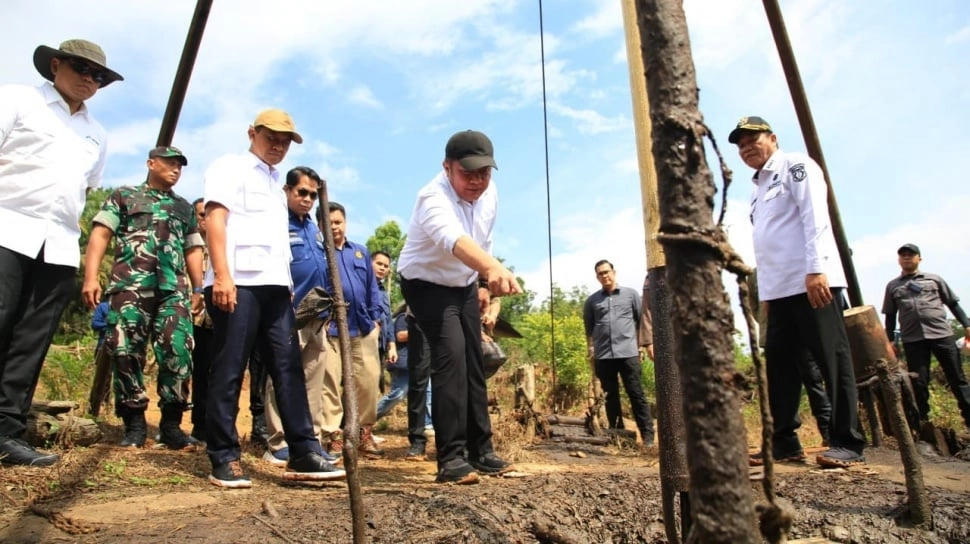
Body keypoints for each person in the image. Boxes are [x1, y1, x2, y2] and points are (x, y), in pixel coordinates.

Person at [202, 108, 344, 487]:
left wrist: (287, 286)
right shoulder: (229, 167)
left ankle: (303, 451)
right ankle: (224, 455)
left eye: (285, 140)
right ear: (252, 133)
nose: (278, 145)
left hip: (275, 288)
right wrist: (222, 275)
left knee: (288, 368)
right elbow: (215, 218)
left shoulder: (277, 183)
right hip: (238, 281)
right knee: (231, 367)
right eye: (271, 137)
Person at [0, 39, 123, 467]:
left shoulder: (97, 134)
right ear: (55, 65)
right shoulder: (17, 100)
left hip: (58, 246)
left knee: (30, 341)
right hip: (7, 229)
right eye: (81, 69)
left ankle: (7, 431)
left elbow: (84, 189)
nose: (90, 79)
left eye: (99, 76)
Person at [730, 115, 866, 468]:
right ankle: (784, 441)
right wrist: (766, 296)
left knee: (831, 361)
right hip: (778, 292)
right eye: (741, 144)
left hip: (812, 282)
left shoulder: (796, 166)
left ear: (772, 138)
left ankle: (847, 441)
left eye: (752, 139)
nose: (746, 148)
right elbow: (766, 244)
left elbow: (814, 216)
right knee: (780, 368)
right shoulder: (757, 190)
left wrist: (817, 268)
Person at [397, 129, 521, 484]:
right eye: (468, 173)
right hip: (426, 284)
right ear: (447, 167)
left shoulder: (489, 192)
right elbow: (457, 241)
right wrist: (492, 269)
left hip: (464, 283)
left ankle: (482, 452)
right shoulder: (431, 198)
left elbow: (484, 239)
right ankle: (451, 459)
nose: (477, 181)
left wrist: (484, 284)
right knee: (450, 357)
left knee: (473, 360)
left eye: (484, 172)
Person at [82, 146, 204, 449]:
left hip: (173, 290)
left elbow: (192, 248)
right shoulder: (125, 195)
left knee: (178, 351)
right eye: (169, 163)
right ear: (151, 163)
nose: (175, 169)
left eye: (180, 165)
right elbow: (100, 233)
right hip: (130, 286)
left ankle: (172, 425)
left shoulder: (184, 207)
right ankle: (134, 425)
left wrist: (199, 288)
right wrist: (90, 276)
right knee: (124, 352)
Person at [263, 166, 340, 467]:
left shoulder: (313, 227)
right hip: (288, 313)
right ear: (287, 191)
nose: (307, 199)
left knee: (312, 379)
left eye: (312, 194)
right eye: (302, 193)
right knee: (282, 377)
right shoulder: (276, 222)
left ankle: (311, 442)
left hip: (318, 315)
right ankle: (278, 441)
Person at [318, 201, 386, 458]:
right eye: (328, 222)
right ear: (320, 225)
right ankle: (333, 437)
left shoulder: (360, 252)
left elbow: (372, 288)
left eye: (338, 221)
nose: (334, 226)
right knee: (330, 384)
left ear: (344, 222)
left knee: (368, 382)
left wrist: (375, 317)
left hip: (363, 327)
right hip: (331, 329)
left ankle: (363, 434)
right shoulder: (319, 252)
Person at [883, 243, 970, 430]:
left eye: (911, 255)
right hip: (913, 340)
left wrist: (967, 325)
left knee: (957, 379)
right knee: (918, 383)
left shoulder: (934, 280)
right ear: (899, 260)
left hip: (942, 335)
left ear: (919, 259)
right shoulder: (893, 286)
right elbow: (890, 316)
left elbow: (953, 304)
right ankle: (922, 427)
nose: (906, 257)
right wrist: (890, 340)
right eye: (903, 255)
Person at [583, 261, 655, 447]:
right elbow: (589, 330)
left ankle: (648, 437)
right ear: (597, 277)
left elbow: (641, 321)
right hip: (604, 355)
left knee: (636, 394)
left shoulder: (631, 295)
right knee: (610, 397)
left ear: (614, 272)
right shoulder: (592, 301)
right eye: (600, 274)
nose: (604, 276)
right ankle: (618, 436)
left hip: (628, 352)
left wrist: (641, 347)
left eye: (607, 272)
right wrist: (591, 350)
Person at [372, 250, 398, 396]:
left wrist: (392, 346)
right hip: (363, 342)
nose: (382, 268)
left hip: (380, 347)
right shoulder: (363, 285)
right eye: (379, 264)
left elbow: (387, 319)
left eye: (386, 266)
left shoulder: (383, 291)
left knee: (375, 385)